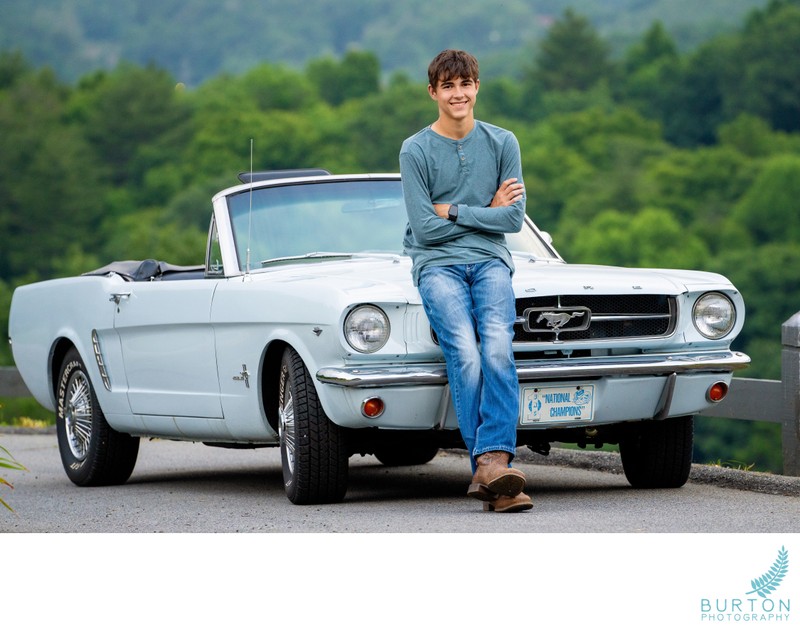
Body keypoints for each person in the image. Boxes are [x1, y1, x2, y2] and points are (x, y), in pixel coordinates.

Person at [399, 49, 532, 513]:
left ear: (477, 87)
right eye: (448, 86)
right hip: (436, 265)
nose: (458, 93)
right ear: (433, 92)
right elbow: (424, 229)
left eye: (466, 84)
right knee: (465, 348)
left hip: (492, 260)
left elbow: (513, 218)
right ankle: (494, 464)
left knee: (497, 342)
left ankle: (490, 463)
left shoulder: (502, 143)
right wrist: (485, 213)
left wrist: (453, 208)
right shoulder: (415, 150)